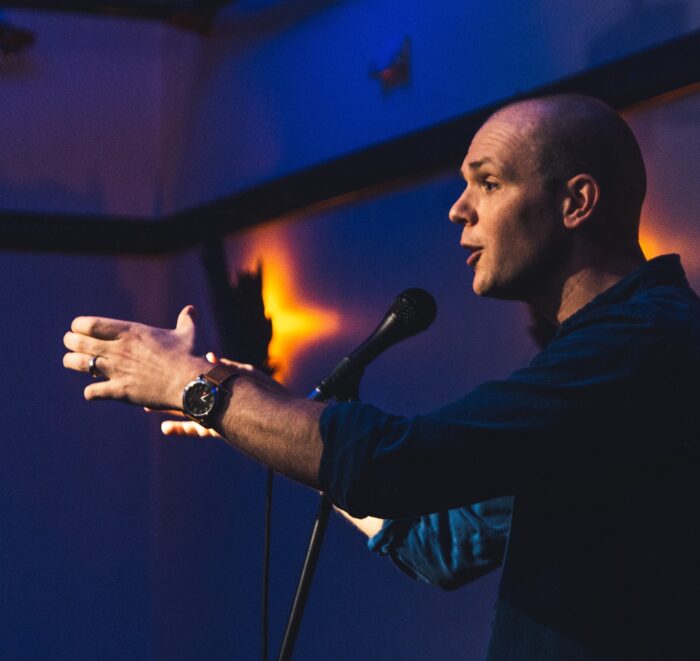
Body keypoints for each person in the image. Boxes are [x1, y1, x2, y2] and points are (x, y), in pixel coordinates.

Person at [63, 93, 700, 660]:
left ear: (576, 202)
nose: (458, 210)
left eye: (489, 183)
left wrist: (198, 389)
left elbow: (395, 464)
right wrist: (247, 416)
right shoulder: (607, 359)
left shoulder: (642, 345)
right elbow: (440, 542)